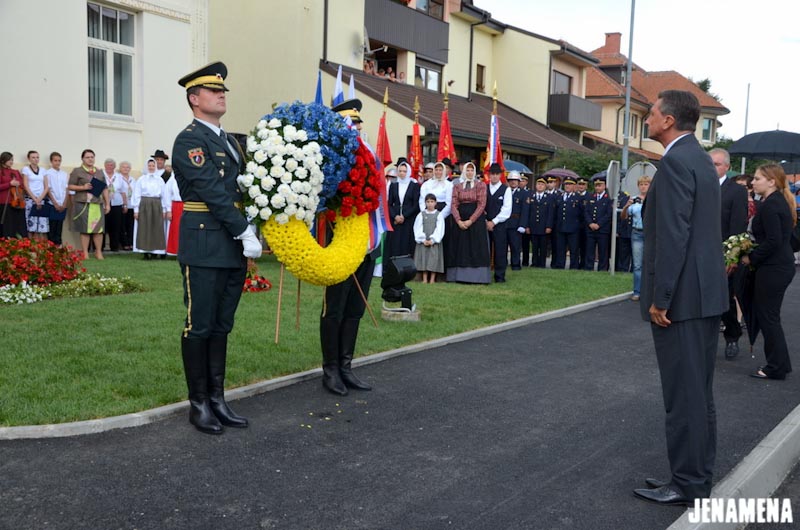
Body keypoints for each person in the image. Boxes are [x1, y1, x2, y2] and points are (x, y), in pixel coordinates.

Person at [634, 90, 728, 506]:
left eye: (651, 113)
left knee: (684, 396)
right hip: (703, 295)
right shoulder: (701, 159)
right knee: (697, 394)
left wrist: (662, 298)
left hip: (683, 300)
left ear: (669, 120)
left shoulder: (675, 162)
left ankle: (689, 484)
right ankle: (695, 477)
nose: (647, 119)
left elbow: (674, 235)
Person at [172, 61, 261, 434]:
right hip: (206, 244)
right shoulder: (190, 140)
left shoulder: (230, 141)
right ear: (194, 99)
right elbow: (212, 191)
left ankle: (217, 399)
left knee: (222, 325)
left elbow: (241, 188)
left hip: (230, 245)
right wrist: (243, 230)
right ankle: (199, 405)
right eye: (213, 90)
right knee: (201, 325)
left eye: (223, 90)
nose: (221, 95)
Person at [321, 97, 384, 396]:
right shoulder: (332, 158)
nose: (356, 127)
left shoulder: (369, 156)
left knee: (355, 309)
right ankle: (331, 369)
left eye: (358, 122)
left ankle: (346, 366)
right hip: (342, 243)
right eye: (350, 123)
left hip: (367, 243)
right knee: (334, 309)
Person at [741, 163, 796, 380]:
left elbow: (774, 240)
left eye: (757, 179)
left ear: (771, 181)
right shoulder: (774, 201)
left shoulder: (772, 205)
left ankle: (776, 367)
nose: (752, 182)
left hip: (774, 268)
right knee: (769, 317)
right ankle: (780, 364)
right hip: (777, 266)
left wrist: (751, 257)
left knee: (768, 317)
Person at [710, 148, 749, 359]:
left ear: (727, 167)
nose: (712, 167)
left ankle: (732, 335)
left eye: (716, 164)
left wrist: (732, 257)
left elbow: (738, 226)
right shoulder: (698, 186)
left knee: (725, 300)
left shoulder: (736, 191)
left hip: (724, 253)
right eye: (709, 163)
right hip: (699, 252)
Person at [446, 161, 490, 283]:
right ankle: (458, 276)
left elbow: (482, 204)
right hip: (460, 219)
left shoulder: (480, 185)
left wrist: (471, 220)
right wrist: (458, 220)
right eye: (467, 170)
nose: (469, 173)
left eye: (471, 170)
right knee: (460, 247)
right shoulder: (457, 186)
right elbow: (454, 204)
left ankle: (477, 277)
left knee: (475, 247)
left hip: (476, 220)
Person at [68, 149, 111, 259]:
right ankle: (85, 252)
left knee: (98, 229)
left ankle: (98, 252)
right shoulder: (77, 171)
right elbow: (70, 186)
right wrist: (83, 187)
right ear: (82, 159)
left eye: (92, 157)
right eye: (87, 157)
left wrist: (107, 204)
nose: (90, 159)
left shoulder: (99, 172)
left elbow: (105, 188)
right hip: (83, 204)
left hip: (97, 204)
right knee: (85, 229)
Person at [384, 158, 420, 262]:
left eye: (404, 171)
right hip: (395, 219)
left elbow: (415, 205)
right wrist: (395, 216)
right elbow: (389, 204)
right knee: (394, 243)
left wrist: (404, 216)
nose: (402, 173)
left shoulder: (414, 185)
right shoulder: (393, 185)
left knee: (406, 243)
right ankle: (391, 266)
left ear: (408, 172)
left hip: (408, 219)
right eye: (400, 171)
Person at [131, 158, 168, 259]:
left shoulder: (160, 180)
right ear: (146, 167)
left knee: (156, 227)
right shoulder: (141, 180)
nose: (151, 168)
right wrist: (136, 210)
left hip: (157, 204)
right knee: (144, 227)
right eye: (149, 166)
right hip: (144, 204)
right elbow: (136, 194)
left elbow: (164, 195)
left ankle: (156, 251)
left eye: (153, 166)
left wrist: (164, 209)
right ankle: (145, 251)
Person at [621, 176, 650, 301]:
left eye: (646, 184)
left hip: (650, 234)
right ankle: (637, 291)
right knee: (637, 264)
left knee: (650, 263)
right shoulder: (633, 199)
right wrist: (626, 206)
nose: (643, 187)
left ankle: (649, 291)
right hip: (637, 232)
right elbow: (624, 216)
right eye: (641, 184)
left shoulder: (654, 199)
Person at [485, 163, 512, 282]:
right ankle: (484, 275)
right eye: (492, 174)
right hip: (485, 224)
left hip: (500, 224)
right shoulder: (484, 188)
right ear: (489, 175)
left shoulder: (506, 190)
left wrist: (494, 222)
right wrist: (486, 221)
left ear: (500, 175)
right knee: (485, 249)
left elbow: (507, 209)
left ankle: (499, 276)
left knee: (500, 250)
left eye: (497, 174)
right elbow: (481, 205)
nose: (494, 176)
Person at [583, 174, 612, 271]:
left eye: (600, 185)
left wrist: (599, 224)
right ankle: (589, 267)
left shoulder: (608, 198)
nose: (597, 187)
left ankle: (603, 268)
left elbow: (608, 214)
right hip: (591, 228)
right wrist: (590, 223)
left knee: (603, 250)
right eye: (596, 185)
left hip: (602, 229)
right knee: (589, 249)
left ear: (604, 186)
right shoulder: (591, 197)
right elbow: (586, 212)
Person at [414, 193, 445, 283]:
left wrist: (433, 239)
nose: (430, 204)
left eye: (432, 201)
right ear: (425, 203)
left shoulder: (439, 215)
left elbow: (440, 228)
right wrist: (422, 239)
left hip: (433, 241)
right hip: (424, 240)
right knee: (424, 258)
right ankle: (424, 279)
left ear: (435, 203)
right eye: (428, 202)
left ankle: (432, 279)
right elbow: (417, 227)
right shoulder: (421, 214)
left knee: (433, 259)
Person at [552, 176, 582, 269]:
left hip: (573, 227)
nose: (567, 186)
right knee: (560, 248)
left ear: (574, 186)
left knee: (574, 249)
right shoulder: (559, 197)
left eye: (570, 184)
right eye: (566, 184)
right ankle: (560, 265)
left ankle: (574, 266)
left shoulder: (578, 198)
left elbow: (581, 213)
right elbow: (555, 212)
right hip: (561, 226)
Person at [525, 176, 555, 268]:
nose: (540, 186)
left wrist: (549, 226)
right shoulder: (531, 196)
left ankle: (542, 263)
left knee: (543, 246)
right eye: (538, 184)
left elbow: (550, 213)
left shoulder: (549, 198)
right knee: (534, 246)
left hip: (543, 226)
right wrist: (527, 226)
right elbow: (527, 212)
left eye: (542, 184)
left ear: (545, 186)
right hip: (533, 226)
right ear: (535, 185)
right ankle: (534, 262)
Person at [22, 150, 50, 242]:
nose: (36, 159)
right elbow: (26, 185)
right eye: (33, 157)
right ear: (29, 159)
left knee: (40, 225)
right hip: (30, 199)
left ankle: (39, 245)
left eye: (37, 157)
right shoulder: (26, 169)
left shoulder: (43, 170)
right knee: (30, 224)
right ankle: (30, 245)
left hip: (41, 200)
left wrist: (40, 199)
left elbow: (46, 186)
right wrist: (34, 199)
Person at [505, 171, 529, 271]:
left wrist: (522, 225)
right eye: (511, 180)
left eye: (515, 180)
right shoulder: (505, 191)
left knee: (515, 246)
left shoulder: (523, 193)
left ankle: (515, 265)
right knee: (503, 245)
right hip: (505, 222)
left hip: (516, 223)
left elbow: (525, 210)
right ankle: (503, 263)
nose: (513, 182)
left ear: (519, 182)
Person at [0, 152, 27, 238]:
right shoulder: (1, 172)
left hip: (18, 202)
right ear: (3, 160)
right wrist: (9, 184)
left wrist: (19, 184)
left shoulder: (16, 172)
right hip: (5, 202)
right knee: (7, 225)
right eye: (9, 160)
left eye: (12, 159)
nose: (11, 161)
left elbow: (22, 185)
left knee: (18, 225)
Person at [102, 158, 126, 252]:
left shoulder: (119, 176)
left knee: (116, 226)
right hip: (104, 203)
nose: (109, 166)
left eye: (111, 165)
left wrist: (125, 205)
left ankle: (114, 246)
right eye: (108, 165)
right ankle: (100, 247)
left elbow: (123, 192)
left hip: (117, 203)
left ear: (115, 166)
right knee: (103, 225)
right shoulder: (101, 175)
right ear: (105, 166)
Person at [45, 152, 69, 246]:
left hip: (62, 204)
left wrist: (64, 203)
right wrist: (55, 203)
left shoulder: (64, 174)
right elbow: (48, 189)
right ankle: (51, 247)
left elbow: (66, 189)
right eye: (55, 160)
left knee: (59, 226)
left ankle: (59, 246)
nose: (57, 162)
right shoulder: (47, 173)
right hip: (52, 204)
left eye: (59, 160)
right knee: (52, 226)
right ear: (51, 161)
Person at [164, 170, 183, 256]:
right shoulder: (172, 179)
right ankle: (175, 251)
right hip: (176, 205)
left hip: (188, 205)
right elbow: (167, 193)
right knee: (176, 229)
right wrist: (168, 210)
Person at [118, 161, 135, 250]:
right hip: (123, 205)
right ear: (120, 168)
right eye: (123, 167)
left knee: (131, 225)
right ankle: (124, 243)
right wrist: (124, 204)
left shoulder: (133, 179)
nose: (125, 169)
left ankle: (131, 242)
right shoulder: (118, 178)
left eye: (127, 167)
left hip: (132, 205)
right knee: (122, 225)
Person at [575, 176, 589, 269]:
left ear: (586, 186)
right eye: (579, 184)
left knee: (585, 246)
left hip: (585, 225)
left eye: (583, 184)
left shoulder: (589, 196)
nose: (581, 186)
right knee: (575, 246)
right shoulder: (574, 195)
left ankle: (583, 264)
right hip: (575, 225)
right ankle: (575, 264)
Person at [520, 174, 532, 266]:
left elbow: (529, 210)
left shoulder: (530, 193)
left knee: (525, 243)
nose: (521, 182)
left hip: (526, 220)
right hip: (516, 220)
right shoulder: (513, 191)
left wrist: (527, 224)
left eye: (523, 181)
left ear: (527, 182)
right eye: (520, 181)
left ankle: (525, 261)